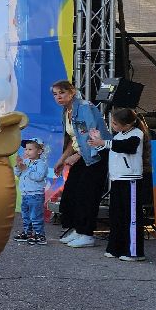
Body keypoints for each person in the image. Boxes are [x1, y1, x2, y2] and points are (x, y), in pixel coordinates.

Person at [50, 80, 109, 248]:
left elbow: (92, 135)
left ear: (72, 92)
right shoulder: (66, 111)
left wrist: (77, 157)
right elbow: (74, 139)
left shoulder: (83, 108)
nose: (58, 97)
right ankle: (77, 228)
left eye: (62, 92)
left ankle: (87, 233)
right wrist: (61, 160)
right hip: (82, 153)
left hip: (95, 154)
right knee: (72, 193)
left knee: (87, 194)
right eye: (55, 94)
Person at [89, 108, 147, 261]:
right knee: (116, 215)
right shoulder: (118, 136)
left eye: (115, 123)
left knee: (131, 216)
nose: (112, 125)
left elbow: (127, 147)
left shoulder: (137, 134)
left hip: (131, 179)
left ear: (127, 124)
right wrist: (98, 142)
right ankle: (116, 247)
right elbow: (112, 150)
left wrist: (104, 142)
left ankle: (134, 251)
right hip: (117, 179)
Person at [13, 138, 50, 244]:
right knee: (26, 215)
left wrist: (26, 169)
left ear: (39, 151)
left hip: (35, 195)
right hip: (25, 194)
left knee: (35, 216)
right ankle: (27, 232)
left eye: (30, 149)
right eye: (25, 149)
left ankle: (40, 235)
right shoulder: (26, 162)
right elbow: (18, 174)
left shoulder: (41, 164)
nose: (27, 152)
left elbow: (38, 177)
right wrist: (18, 166)